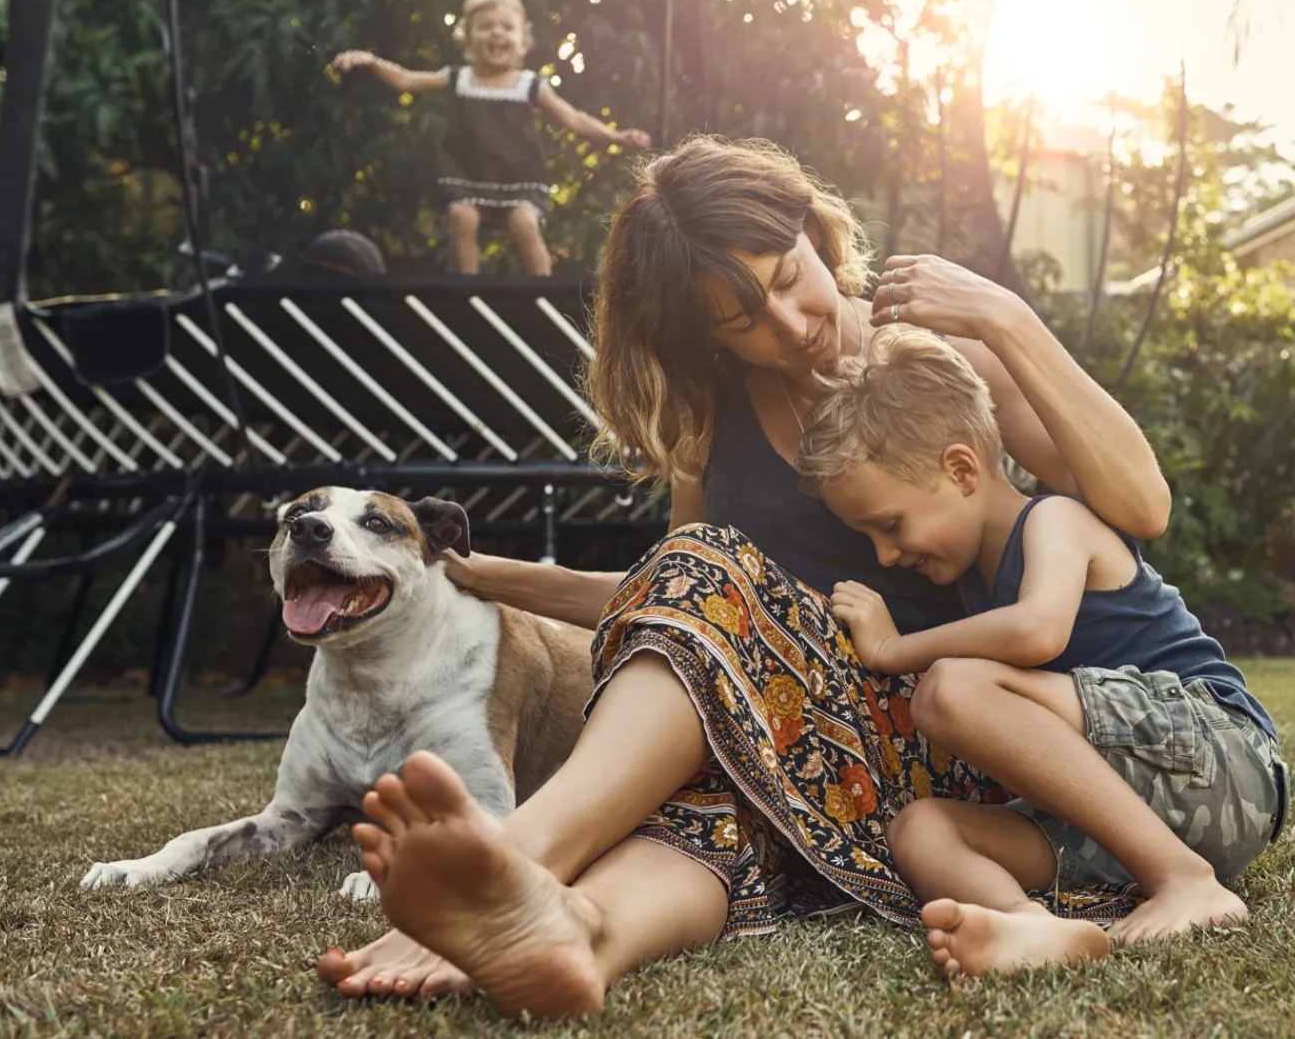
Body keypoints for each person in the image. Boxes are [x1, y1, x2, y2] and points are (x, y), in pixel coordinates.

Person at [317, 135, 1176, 1018]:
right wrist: (500, 579)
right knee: (713, 775)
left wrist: (1009, 319)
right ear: (703, 334)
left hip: (950, 730)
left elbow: (1141, 505)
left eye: (788, 276)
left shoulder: (935, 357)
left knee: (704, 588)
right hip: (802, 744)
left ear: (815, 231)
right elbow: (672, 615)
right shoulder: (713, 415)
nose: (791, 325)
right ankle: (579, 930)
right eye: (743, 322)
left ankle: (518, 855)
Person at [792, 328, 1288, 976]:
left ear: (961, 469)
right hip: (1135, 808)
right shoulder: (972, 585)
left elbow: (1038, 631)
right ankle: (1029, 925)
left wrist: (891, 649)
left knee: (951, 690)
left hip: (1222, 754)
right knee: (918, 828)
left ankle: (1183, 879)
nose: (885, 554)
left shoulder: (1054, 519)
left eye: (890, 525)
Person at [331, 0, 650, 276]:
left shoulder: (529, 84)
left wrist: (616, 137)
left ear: (522, 41)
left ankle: (543, 291)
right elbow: (407, 80)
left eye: (507, 27)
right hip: (471, 173)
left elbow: (573, 118)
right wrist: (371, 61)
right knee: (462, 216)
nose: (497, 32)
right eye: (486, 27)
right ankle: (470, 292)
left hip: (518, 174)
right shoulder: (459, 78)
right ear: (468, 40)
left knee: (523, 223)